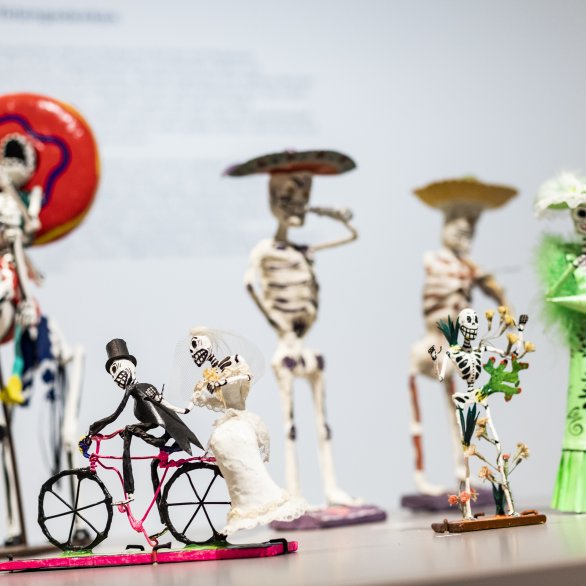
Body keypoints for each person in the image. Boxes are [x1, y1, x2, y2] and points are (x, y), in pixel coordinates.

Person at [84, 338, 202, 503]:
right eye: (113, 373)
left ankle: (130, 493)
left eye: (117, 369)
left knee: (129, 432)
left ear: (130, 367)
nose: (116, 376)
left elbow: (115, 415)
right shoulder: (145, 387)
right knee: (149, 458)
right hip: (160, 425)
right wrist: (186, 408)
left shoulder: (139, 388)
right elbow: (162, 407)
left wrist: (92, 430)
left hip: (164, 428)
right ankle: (160, 512)